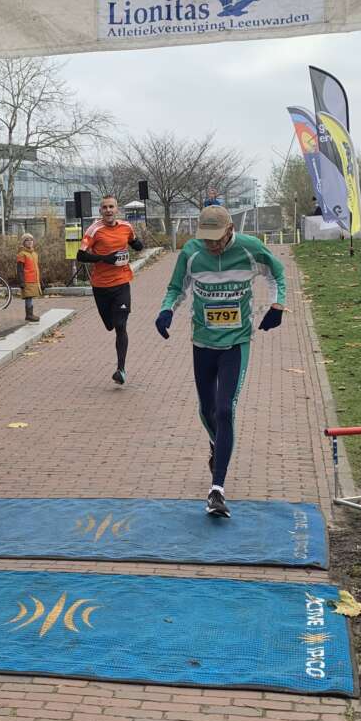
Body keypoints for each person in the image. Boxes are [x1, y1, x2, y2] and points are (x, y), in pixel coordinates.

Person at [154, 205, 286, 518]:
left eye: (217, 238)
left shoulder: (250, 249)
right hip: (203, 342)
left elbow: (277, 274)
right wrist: (166, 310)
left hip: (236, 343)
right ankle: (217, 443)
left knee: (225, 409)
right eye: (206, 238)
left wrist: (277, 306)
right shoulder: (191, 252)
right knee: (207, 410)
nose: (211, 244)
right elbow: (176, 288)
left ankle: (217, 489)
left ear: (230, 230)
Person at [77, 195, 144, 385]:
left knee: (121, 325)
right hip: (101, 286)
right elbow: (80, 255)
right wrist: (104, 259)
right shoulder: (94, 230)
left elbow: (133, 241)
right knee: (110, 325)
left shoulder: (126, 227)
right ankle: (111, 322)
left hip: (122, 283)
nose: (108, 210)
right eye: (105, 207)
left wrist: (137, 245)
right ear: (100, 211)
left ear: (117, 209)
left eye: (111, 207)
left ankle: (121, 370)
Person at [16, 233, 42, 323]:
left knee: (30, 297)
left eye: (31, 240)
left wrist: (40, 281)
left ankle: (30, 314)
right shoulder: (22, 254)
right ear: (23, 242)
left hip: (34, 279)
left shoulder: (34, 254)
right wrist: (21, 282)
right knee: (29, 297)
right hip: (27, 280)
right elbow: (19, 270)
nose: (30, 242)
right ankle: (29, 315)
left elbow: (36, 268)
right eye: (27, 240)